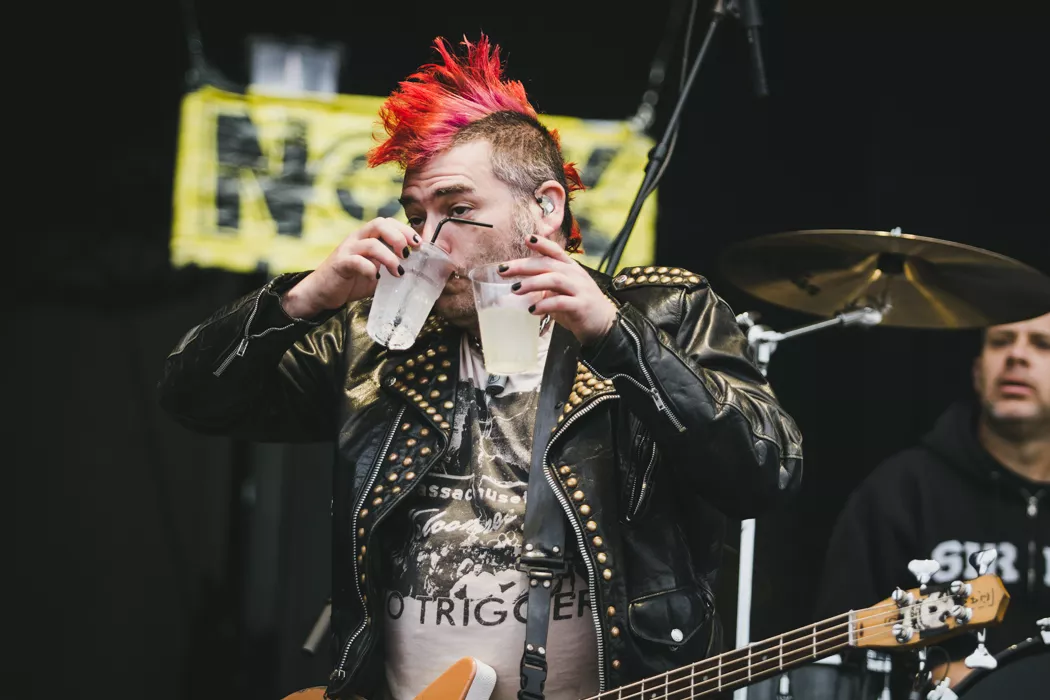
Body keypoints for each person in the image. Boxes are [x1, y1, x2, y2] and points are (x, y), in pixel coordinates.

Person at [159, 35, 802, 700]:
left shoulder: (664, 312)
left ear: (546, 208)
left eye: (459, 210)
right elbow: (193, 399)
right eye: (417, 216)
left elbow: (766, 474)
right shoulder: (371, 344)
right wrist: (301, 299)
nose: (429, 241)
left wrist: (617, 337)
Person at [814, 312, 1050, 696]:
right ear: (977, 371)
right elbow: (840, 651)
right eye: (1001, 341)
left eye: (1042, 344)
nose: (1016, 355)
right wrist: (929, 677)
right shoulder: (901, 490)